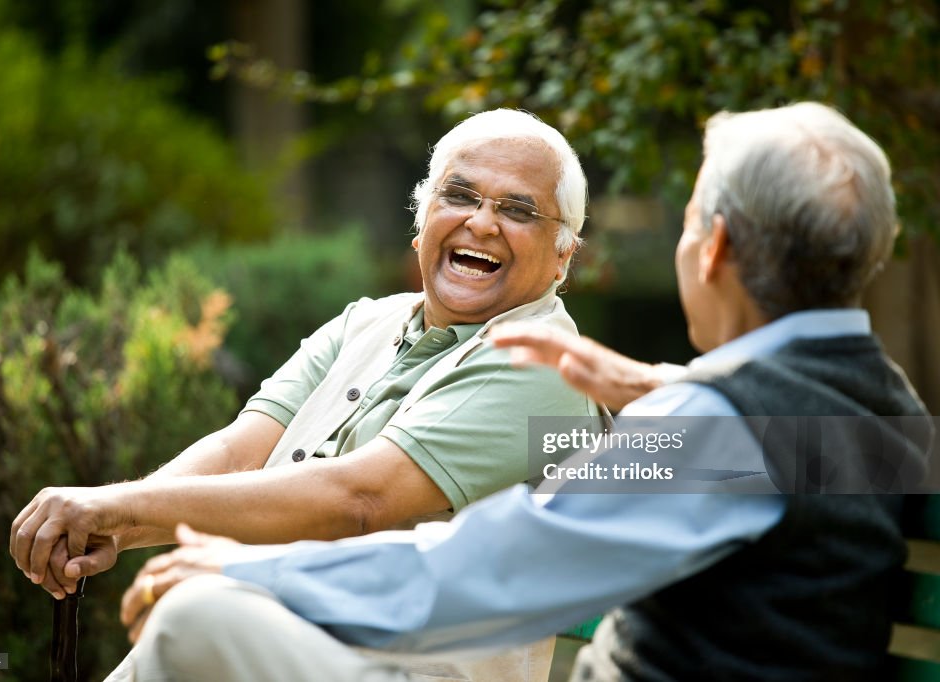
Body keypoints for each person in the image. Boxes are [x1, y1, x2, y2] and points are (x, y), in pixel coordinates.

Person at [109, 101, 933, 682]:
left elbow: (487, 569)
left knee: (198, 616)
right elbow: (768, 451)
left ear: (711, 248)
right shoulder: (890, 416)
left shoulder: (714, 431)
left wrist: (256, 572)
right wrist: (666, 387)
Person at [10, 108, 613, 682]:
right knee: (194, 615)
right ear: (421, 219)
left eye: (518, 209)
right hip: (284, 640)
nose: (481, 222)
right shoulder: (364, 323)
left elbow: (359, 498)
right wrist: (113, 527)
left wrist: (122, 510)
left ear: (563, 257)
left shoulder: (543, 363)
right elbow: (237, 452)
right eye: (459, 196)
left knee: (195, 615)